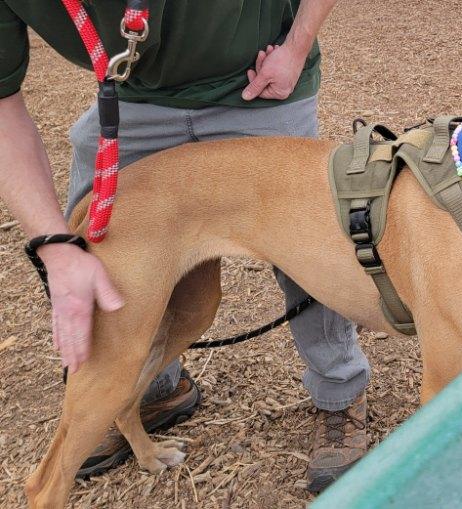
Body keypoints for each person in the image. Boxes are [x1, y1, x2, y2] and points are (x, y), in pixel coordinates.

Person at [0, 0, 370, 493]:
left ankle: (339, 393)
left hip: (259, 87)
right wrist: (53, 244)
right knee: (116, 302)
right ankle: (141, 399)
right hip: (131, 102)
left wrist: (296, 47)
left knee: (319, 264)